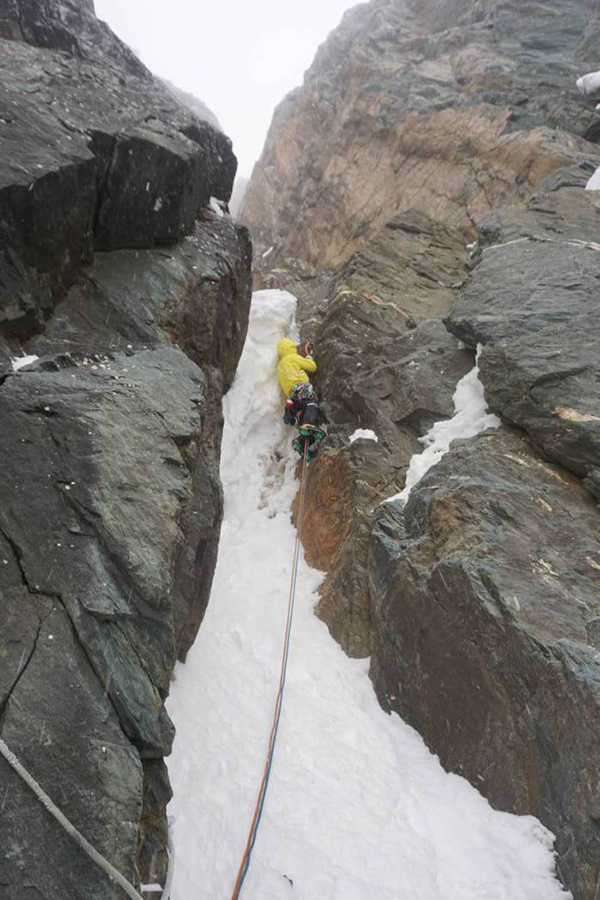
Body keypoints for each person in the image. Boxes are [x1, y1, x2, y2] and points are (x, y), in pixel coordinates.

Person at [276, 339, 324, 454]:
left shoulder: (280, 366)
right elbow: (312, 367)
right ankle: (307, 425)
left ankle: (301, 442)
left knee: (303, 414)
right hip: (302, 387)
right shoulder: (292, 357)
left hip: (292, 395)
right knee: (312, 403)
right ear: (291, 348)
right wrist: (308, 357)